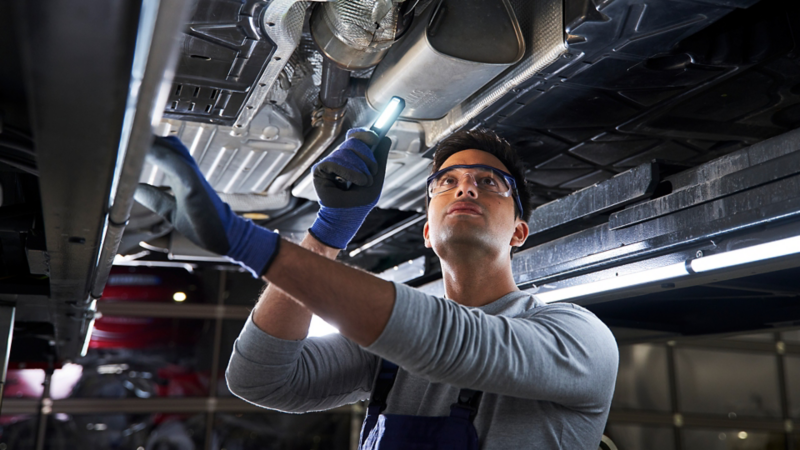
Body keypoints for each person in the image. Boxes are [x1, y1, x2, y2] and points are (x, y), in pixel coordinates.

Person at [136, 127, 619, 449]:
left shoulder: (579, 339)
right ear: (427, 233)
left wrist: (248, 243)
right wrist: (325, 236)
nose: (465, 188)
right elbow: (260, 380)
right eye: (446, 181)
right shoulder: (387, 355)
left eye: (490, 182)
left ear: (518, 231)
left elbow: (456, 345)